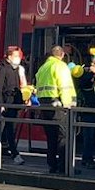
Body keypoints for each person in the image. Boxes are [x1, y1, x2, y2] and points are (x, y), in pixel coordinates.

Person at [34, 44, 75, 175]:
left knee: (51, 137)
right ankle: (64, 167)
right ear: (62, 55)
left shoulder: (43, 67)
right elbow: (65, 87)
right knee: (63, 137)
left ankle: (52, 165)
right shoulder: (61, 66)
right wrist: (68, 104)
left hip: (44, 105)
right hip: (58, 105)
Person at [0, 46, 33, 165]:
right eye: (16, 56)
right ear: (9, 57)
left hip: (15, 102)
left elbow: (18, 87)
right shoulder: (2, 68)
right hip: (7, 102)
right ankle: (14, 153)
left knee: (11, 127)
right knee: (10, 127)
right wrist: (1, 104)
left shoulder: (15, 69)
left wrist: (23, 100)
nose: (18, 58)